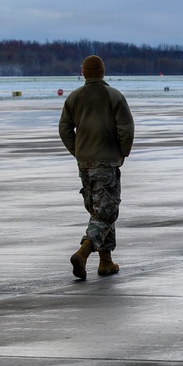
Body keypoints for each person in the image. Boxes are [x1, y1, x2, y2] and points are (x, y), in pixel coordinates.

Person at [58, 55, 135, 280]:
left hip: (85, 163)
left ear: (84, 72)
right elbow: (126, 130)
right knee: (107, 211)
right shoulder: (114, 96)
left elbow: (64, 130)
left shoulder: (73, 98)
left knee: (98, 210)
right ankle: (85, 250)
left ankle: (106, 261)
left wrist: (78, 152)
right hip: (107, 161)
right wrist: (122, 153)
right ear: (102, 71)